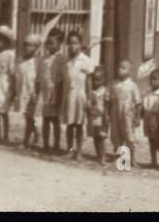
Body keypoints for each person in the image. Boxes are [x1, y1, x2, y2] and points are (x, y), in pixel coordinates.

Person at [58, 30, 93, 161]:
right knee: (69, 124)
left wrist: (89, 98)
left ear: (80, 44)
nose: (72, 46)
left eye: (75, 43)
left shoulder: (86, 60)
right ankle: (70, 149)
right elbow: (63, 81)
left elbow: (89, 81)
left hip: (81, 96)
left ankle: (78, 151)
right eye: (70, 43)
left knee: (79, 124)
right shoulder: (65, 61)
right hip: (68, 96)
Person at [37, 27, 65, 154]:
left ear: (60, 44)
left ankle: (57, 145)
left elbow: (62, 78)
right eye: (47, 42)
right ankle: (46, 144)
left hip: (56, 92)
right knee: (46, 120)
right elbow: (40, 76)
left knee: (55, 120)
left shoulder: (62, 59)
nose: (49, 45)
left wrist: (58, 95)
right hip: (45, 93)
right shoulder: (43, 58)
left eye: (52, 43)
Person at [110, 60, 141, 168]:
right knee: (117, 135)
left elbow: (138, 103)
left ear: (130, 72)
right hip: (116, 114)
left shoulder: (132, 86)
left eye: (123, 68)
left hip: (128, 115)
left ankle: (132, 159)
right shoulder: (115, 84)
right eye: (119, 67)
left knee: (129, 136)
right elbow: (111, 100)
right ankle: (121, 158)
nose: (120, 70)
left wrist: (137, 117)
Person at [0, 25, 17, 143]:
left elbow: (12, 73)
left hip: (5, 85)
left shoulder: (10, 55)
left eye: (0, 40)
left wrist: (12, 89)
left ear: (6, 41)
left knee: (3, 111)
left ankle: (5, 135)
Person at [15, 32, 42, 148]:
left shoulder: (38, 62)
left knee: (31, 117)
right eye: (26, 45)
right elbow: (19, 78)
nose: (27, 48)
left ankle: (26, 141)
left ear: (37, 47)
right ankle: (36, 132)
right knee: (28, 117)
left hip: (33, 93)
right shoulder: (21, 61)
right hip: (24, 92)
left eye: (31, 45)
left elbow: (39, 79)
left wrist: (37, 91)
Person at [141, 68, 159, 170]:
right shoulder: (149, 93)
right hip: (148, 118)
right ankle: (154, 161)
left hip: (157, 119)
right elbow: (145, 104)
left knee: (158, 142)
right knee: (151, 141)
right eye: (151, 79)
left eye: (155, 79)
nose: (152, 81)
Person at [86, 68, 110, 167]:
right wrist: (88, 114)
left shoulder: (105, 91)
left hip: (102, 116)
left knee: (102, 137)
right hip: (93, 117)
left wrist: (106, 115)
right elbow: (88, 105)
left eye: (99, 80)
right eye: (95, 80)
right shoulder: (91, 92)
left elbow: (107, 104)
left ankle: (103, 156)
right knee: (95, 136)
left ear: (103, 80)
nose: (96, 82)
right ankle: (98, 155)